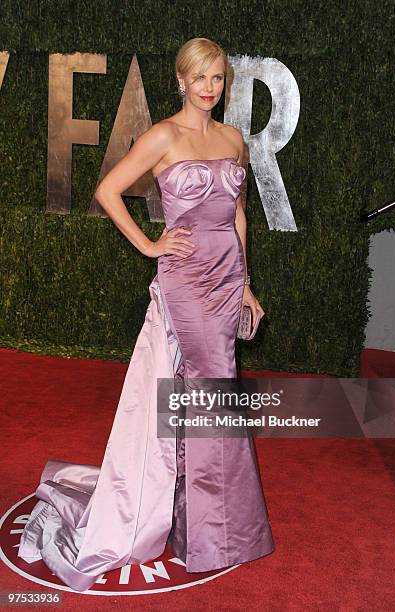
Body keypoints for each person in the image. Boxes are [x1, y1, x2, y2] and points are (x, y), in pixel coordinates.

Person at [17, 37, 275, 592]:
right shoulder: (162, 135)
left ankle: (199, 524)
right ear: (180, 81)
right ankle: (215, 533)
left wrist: (247, 286)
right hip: (184, 282)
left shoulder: (233, 140)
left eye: (218, 79)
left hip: (227, 281)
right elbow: (108, 190)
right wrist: (149, 246)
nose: (209, 88)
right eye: (199, 78)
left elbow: (239, 217)